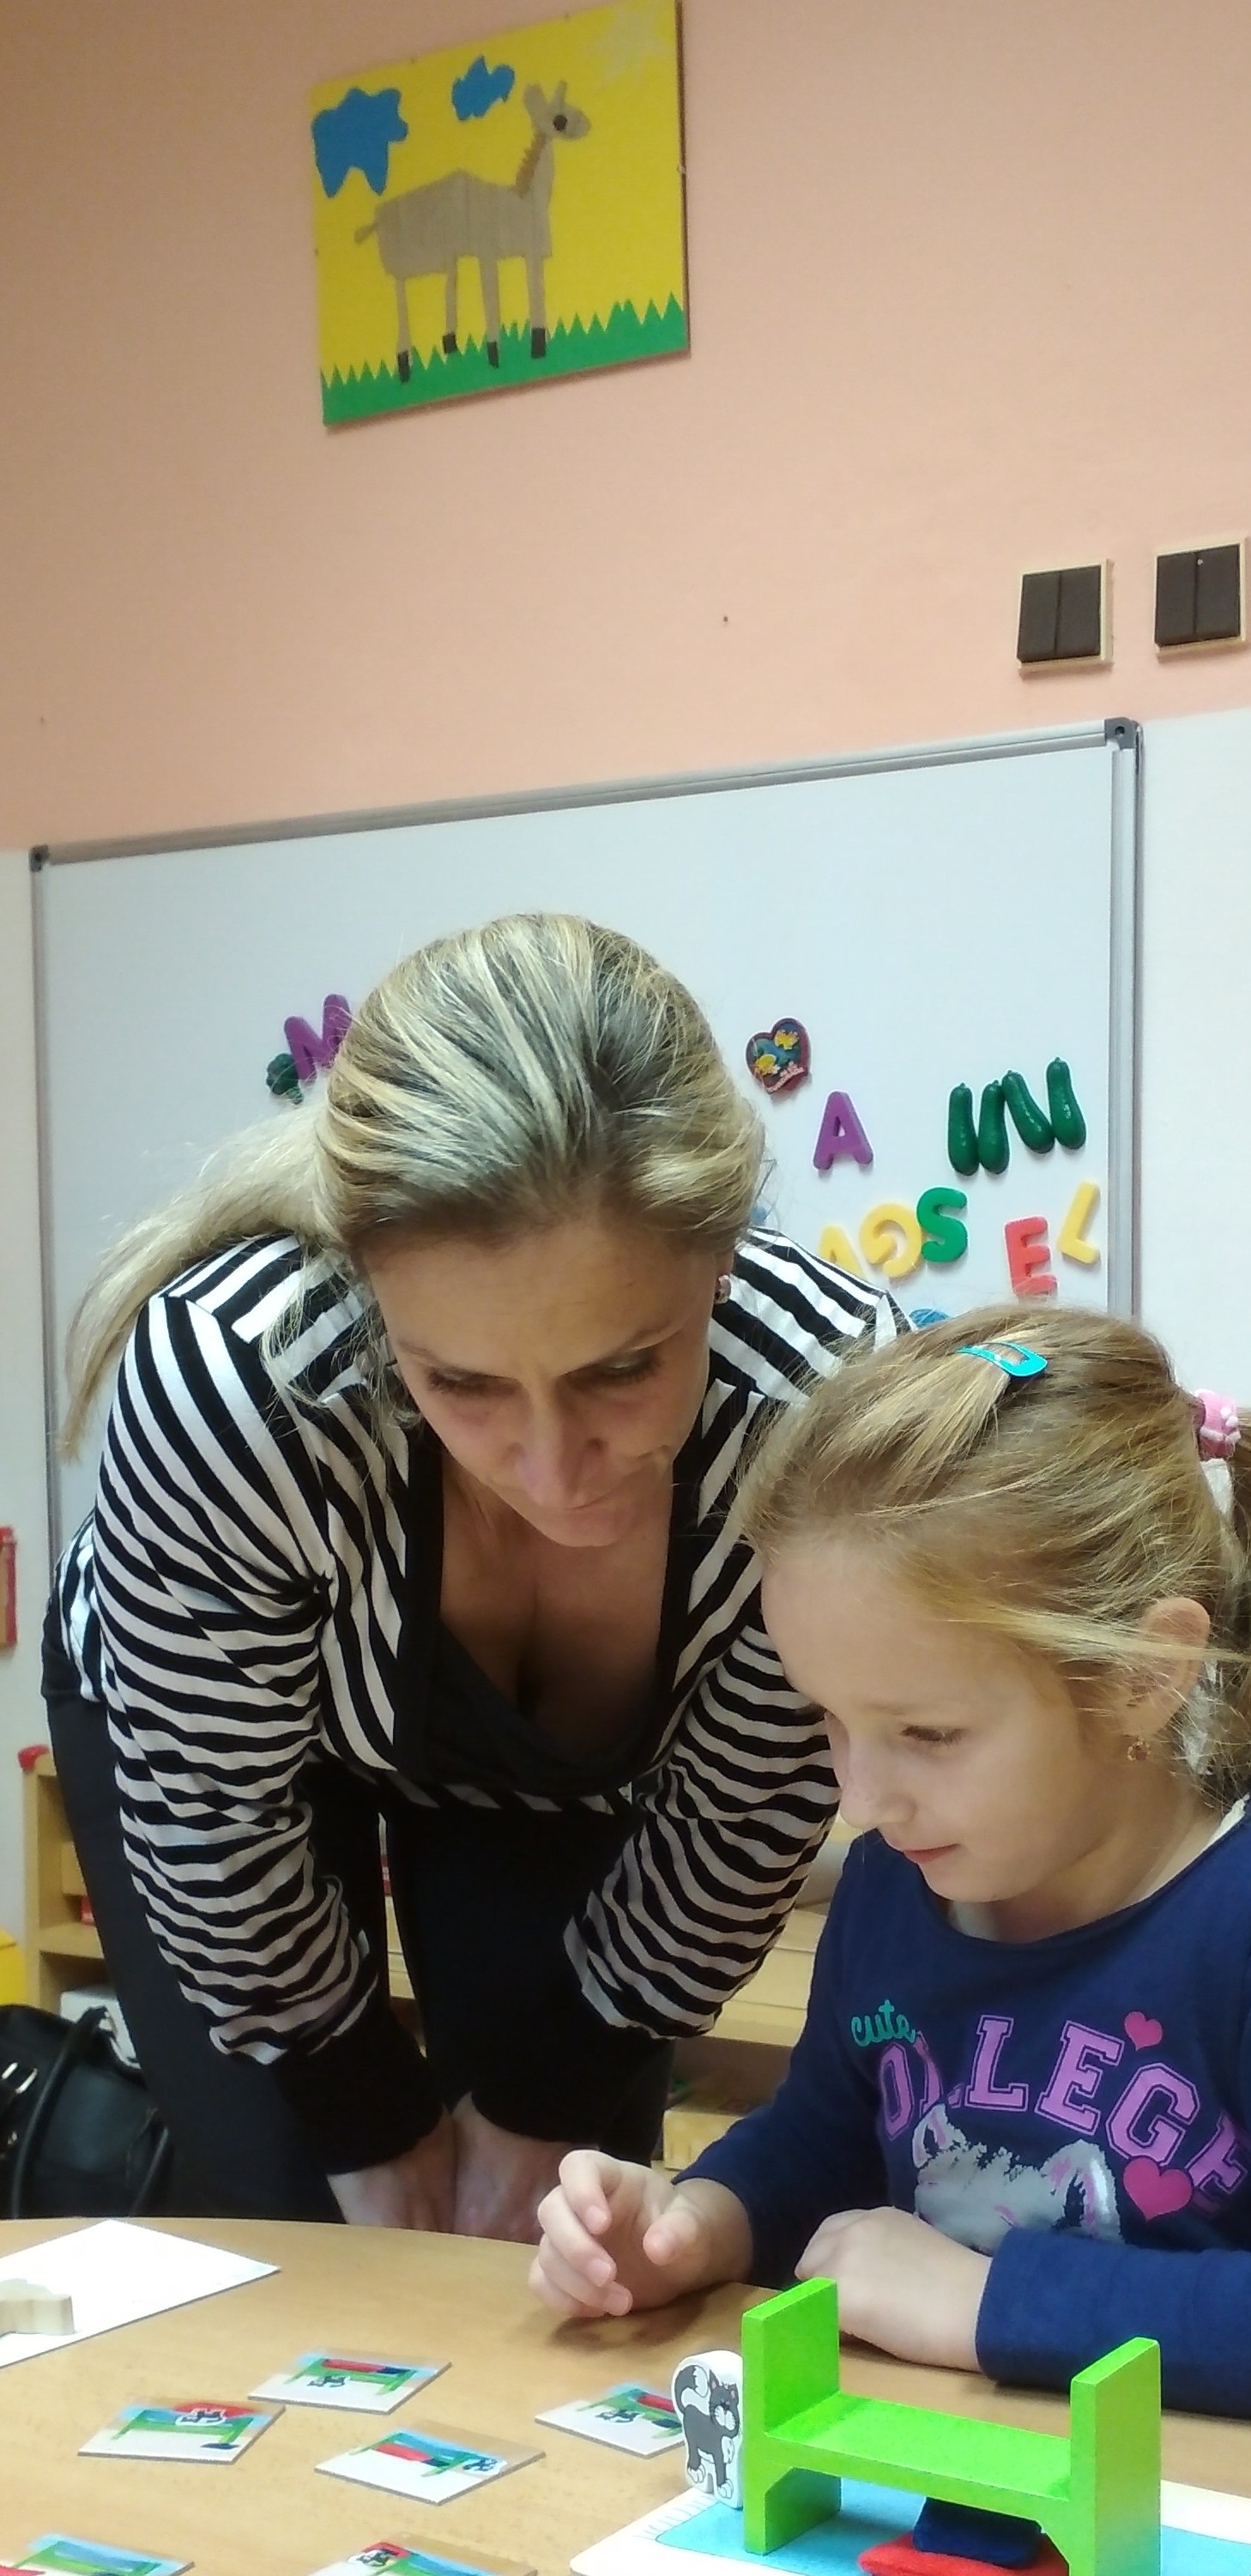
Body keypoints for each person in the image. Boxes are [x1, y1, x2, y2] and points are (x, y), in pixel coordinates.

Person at [45, 912, 901, 2231]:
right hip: (220, 1770)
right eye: (462, 1383)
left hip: (566, 1784)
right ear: (374, 1294)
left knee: (554, 2230)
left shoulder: (815, 1403)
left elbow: (741, 1814)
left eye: (624, 1367)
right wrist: (365, 2117)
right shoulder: (244, 1382)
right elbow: (215, 1822)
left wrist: (545, 2099)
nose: (552, 1472)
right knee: (295, 2222)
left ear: (723, 1260)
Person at [531, 1306, 1251, 2426]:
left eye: (927, 1733)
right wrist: (696, 2224)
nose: (860, 1802)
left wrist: (981, 2303)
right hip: (945, 2475)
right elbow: (826, 2141)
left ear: (1144, 1676)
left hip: (1196, 2505)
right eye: (828, 1720)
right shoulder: (898, 1882)